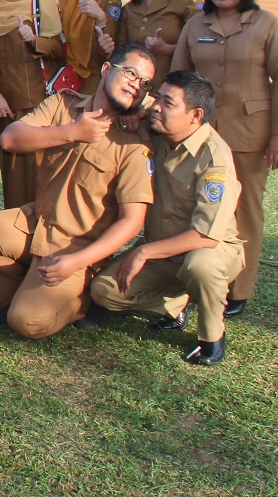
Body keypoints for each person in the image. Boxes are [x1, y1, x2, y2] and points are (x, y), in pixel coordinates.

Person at [0, 44, 155, 339]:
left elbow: (133, 221)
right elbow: (11, 138)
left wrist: (78, 261)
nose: (135, 84)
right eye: (129, 72)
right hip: (37, 222)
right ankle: (26, 289)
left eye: (144, 82)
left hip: (76, 246)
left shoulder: (135, 143)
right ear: (106, 70)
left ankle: (83, 297)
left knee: (27, 322)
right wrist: (72, 132)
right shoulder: (63, 106)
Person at [90, 71, 244, 365]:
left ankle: (211, 337)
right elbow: (136, 102)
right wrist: (134, 111)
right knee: (104, 291)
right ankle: (174, 306)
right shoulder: (161, 129)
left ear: (195, 115)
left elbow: (205, 235)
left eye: (167, 103)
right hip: (164, 252)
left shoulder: (214, 159)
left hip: (210, 249)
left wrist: (143, 251)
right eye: (157, 98)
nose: (156, 107)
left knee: (201, 265)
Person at [172, 0, 278, 317]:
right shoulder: (195, 25)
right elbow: (180, 76)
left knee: (245, 211)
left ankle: (239, 288)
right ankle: (194, 281)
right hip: (201, 135)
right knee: (194, 205)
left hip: (251, 135)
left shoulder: (266, 24)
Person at [0, 0, 64, 208]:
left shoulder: (39, 4)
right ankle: (15, 232)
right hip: (3, 108)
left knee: (40, 172)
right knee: (13, 175)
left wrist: (33, 39)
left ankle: (42, 233)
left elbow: (59, 50)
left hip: (37, 104)